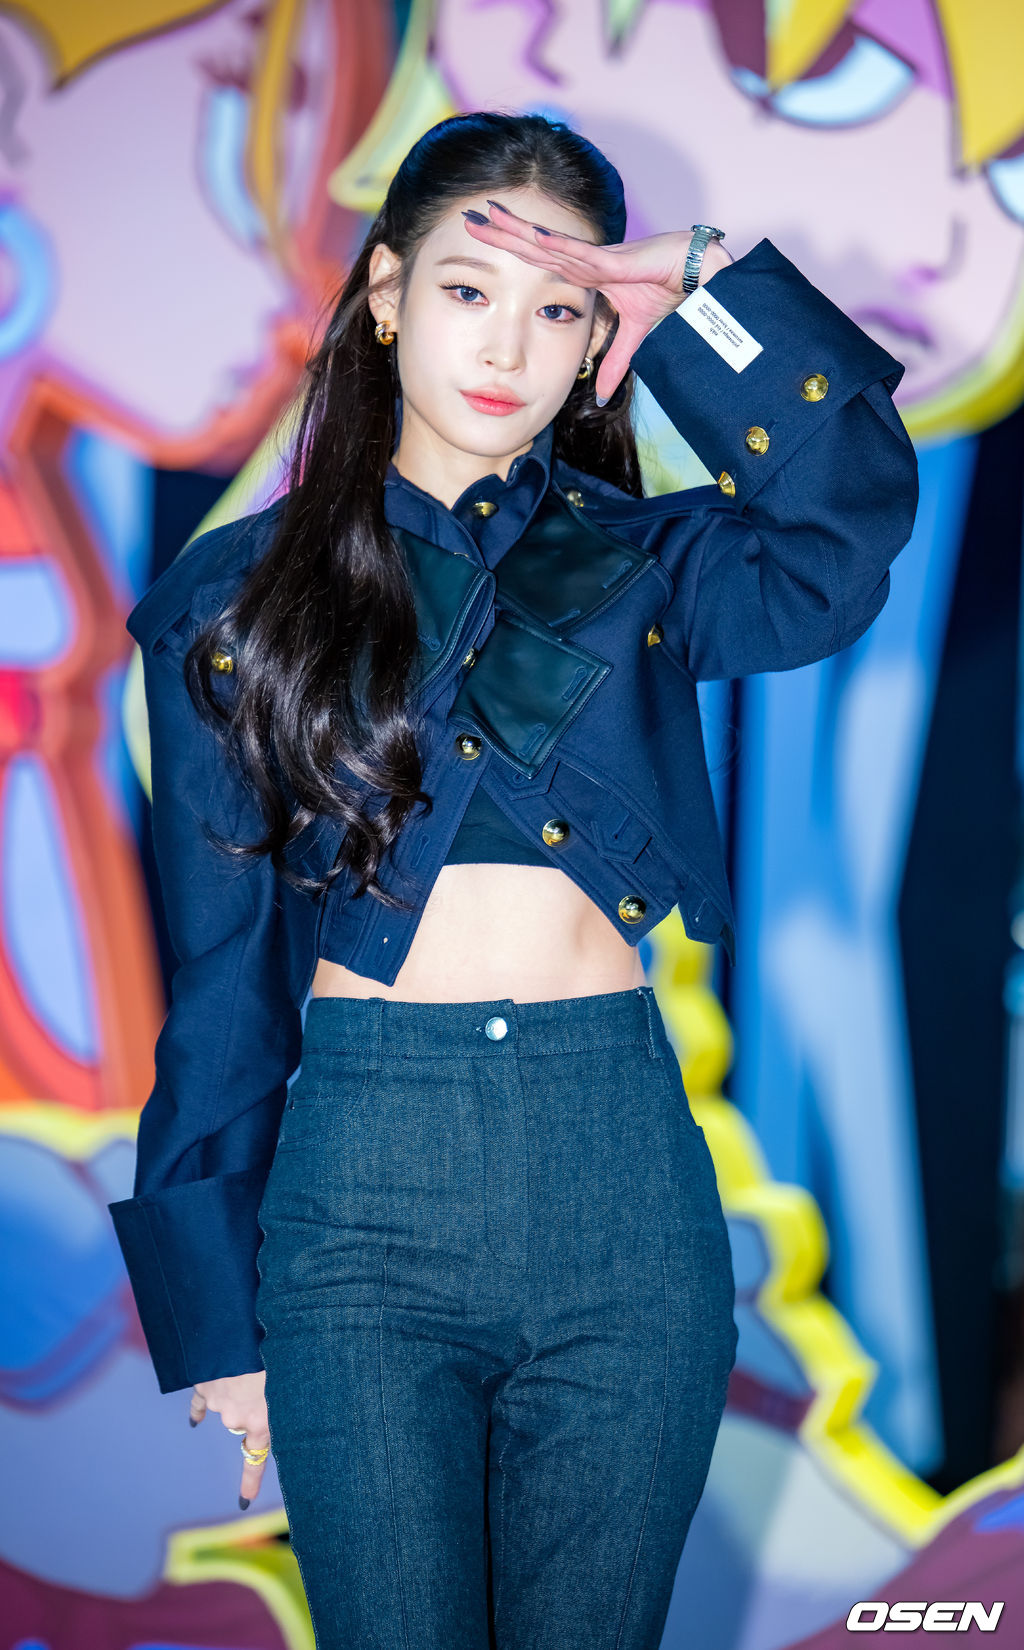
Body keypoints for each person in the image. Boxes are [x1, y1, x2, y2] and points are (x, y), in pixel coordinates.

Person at [109, 111, 918, 1649]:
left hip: (619, 1187)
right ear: (388, 294)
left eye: (560, 310)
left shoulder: (652, 564)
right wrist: (216, 1315)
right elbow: (221, 980)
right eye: (471, 290)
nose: (508, 345)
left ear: (599, 340)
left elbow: (843, 529)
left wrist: (704, 294)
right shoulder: (235, 605)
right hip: (362, 1202)